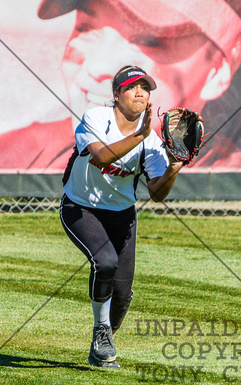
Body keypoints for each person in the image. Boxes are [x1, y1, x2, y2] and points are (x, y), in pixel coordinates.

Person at [0, 0, 241, 172]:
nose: (100, 65)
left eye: (151, 42)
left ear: (218, 71)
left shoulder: (238, 183)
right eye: (88, 29)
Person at [59, 65, 183, 368]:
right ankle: (101, 330)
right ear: (116, 94)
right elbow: (101, 156)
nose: (139, 92)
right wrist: (140, 135)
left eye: (145, 87)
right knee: (105, 263)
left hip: (121, 215)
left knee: (123, 295)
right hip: (81, 207)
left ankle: (101, 344)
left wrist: (174, 168)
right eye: (131, 87)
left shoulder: (152, 141)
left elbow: (157, 192)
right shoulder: (96, 118)